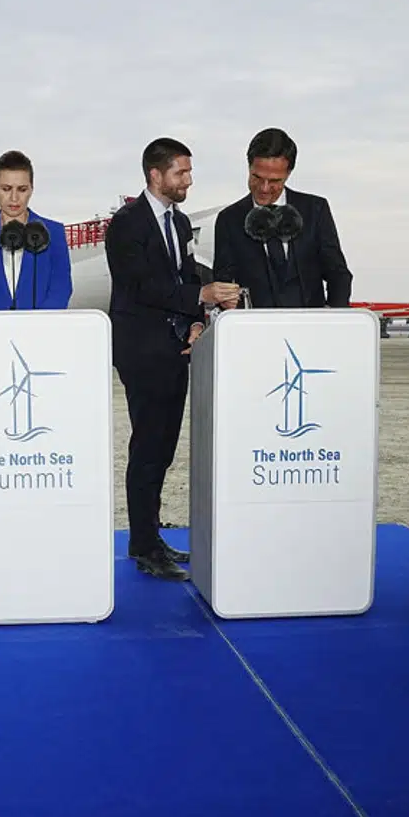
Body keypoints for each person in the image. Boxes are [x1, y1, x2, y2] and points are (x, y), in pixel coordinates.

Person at [106, 137, 239, 580]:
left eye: (189, 172)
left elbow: (183, 278)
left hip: (174, 349)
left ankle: (150, 536)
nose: (188, 180)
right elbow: (139, 286)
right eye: (181, 172)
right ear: (155, 174)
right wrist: (197, 294)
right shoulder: (125, 224)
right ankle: (143, 546)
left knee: (162, 449)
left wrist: (197, 319)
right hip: (141, 352)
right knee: (146, 448)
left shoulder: (180, 224)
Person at [211, 127, 352, 307]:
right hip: (254, 331)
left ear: (288, 174)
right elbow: (223, 282)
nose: (264, 187)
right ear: (248, 167)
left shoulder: (316, 210)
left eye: (274, 181)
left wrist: (335, 319)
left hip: (311, 328)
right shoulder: (228, 220)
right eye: (257, 177)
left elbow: (337, 273)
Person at [0, 150, 72, 310]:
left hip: (42, 332)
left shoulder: (55, 232)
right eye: (6, 189)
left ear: (32, 188)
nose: (14, 198)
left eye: (22, 189)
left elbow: (61, 289)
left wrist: (39, 326)